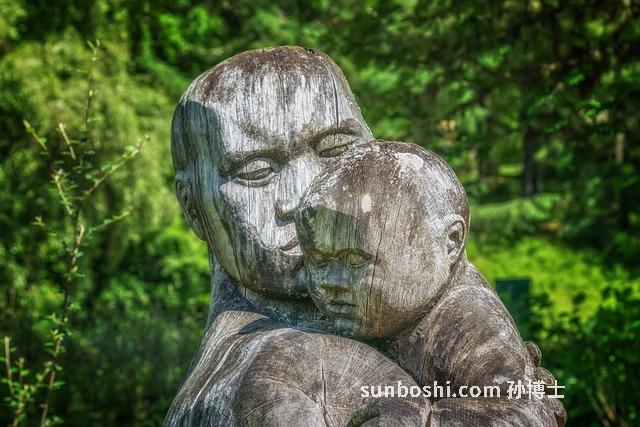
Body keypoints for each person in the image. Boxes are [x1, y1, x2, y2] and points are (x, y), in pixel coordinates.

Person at [295, 140, 566, 425]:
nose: (331, 282)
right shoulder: (392, 313)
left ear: (450, 243)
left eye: (354, 260)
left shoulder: (468, 321)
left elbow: (524, 415)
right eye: (319, 260)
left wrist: (423, 419)